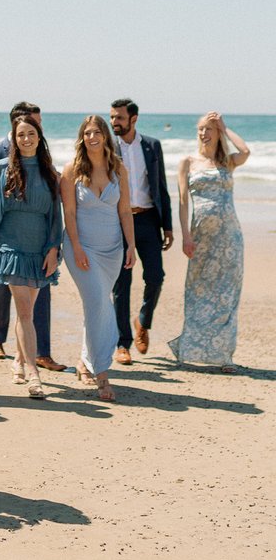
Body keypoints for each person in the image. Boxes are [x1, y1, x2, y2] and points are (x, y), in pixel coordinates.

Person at [0, 114, 62, 400]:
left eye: (31, 134)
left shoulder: (49, 172)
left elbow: (56, 216)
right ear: (14, 139)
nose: (26, 139)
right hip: (11, 246)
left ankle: (19, 359)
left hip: (40, 248)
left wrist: (54, 248)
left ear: (39, 137)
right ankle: (34, 374)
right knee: (26, 312)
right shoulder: (1, 168)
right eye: (20, 135)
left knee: (25, 312)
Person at [60, 116, 137, 402]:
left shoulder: (118, 169)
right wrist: (77, 247)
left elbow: (125, 211)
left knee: (97, 305)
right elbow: (68, 214)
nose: (92, 137)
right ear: (82, 138)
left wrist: (131, 245)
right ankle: (102, 373)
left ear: (105, 136)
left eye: (97, 132)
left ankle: (85, 361)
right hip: (82, 248)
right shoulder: (72, 171)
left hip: (113, 249)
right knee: (98, 303)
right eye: (87, 133)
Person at [169, 113, 250, 371]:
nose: (204, 133)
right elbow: (183, 202)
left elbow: (246, 151)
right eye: (201, 129)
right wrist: (186, 236)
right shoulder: (187, 162)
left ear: (217, 133)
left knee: (227, 295)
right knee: (199, 292)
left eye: (209, 129)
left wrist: (225, 129)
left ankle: (225, 355)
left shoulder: (227, 161)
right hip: (201, 237)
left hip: (230, 237)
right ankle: (192, 348)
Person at [109, 99, 173, 364]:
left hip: (148, 220)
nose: (114, 122)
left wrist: (167, 225)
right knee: (121, 284)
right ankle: (122, 343)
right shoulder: (108, 147)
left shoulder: (152, 145)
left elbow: (160, 186)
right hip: (119, 222)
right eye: (112, 117)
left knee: (156, 276)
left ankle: (143, 322)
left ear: (133, 119)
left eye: (119, 118)